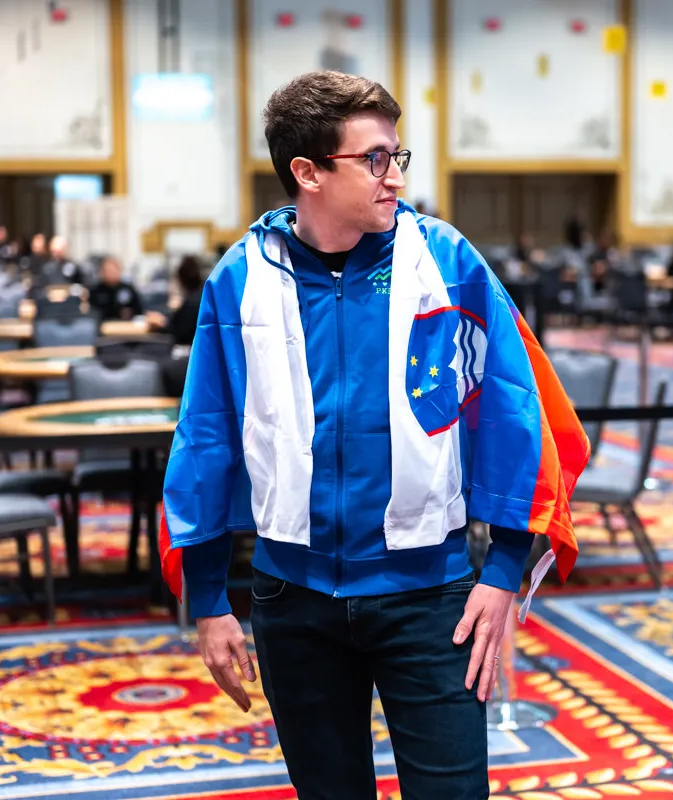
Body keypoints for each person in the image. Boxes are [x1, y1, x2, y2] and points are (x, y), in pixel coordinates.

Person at [160, 70, 587, 799]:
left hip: (431, 597)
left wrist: (502, 571)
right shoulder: (239, 280)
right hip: (292, 600)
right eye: (375, 158)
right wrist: (207, 597)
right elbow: (207, 436)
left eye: (397, 155)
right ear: (309, 172)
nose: (395, 176)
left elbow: (514, 411)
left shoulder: (446, 262)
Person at [147, 255, 204, 345]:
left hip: (185, 348)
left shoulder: (191, 303)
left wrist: (160, 325)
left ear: (181, 279)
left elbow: (178, 333)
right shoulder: (200, 295)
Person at [87, 256, 143, 321]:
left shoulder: (128, 289)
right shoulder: (95, 291)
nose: (111, 274)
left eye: (113, 270)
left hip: (125, 324)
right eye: (108, 271)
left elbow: (139, 312)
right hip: (102, 324)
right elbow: (91, 313)